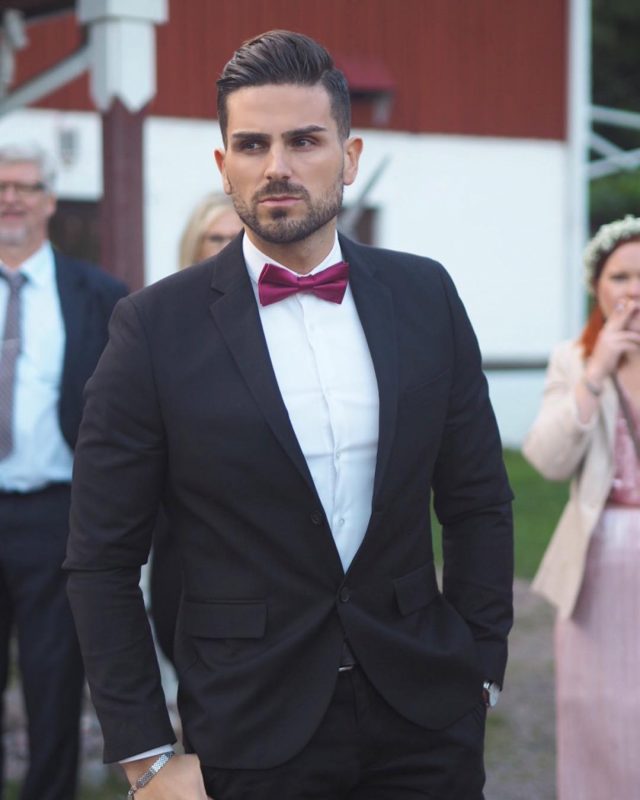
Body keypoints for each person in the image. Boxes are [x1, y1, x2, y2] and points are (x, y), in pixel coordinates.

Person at [64, 30, 513, 800]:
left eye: (304, 140)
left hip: (425, 718)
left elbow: (478, 500)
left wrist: (481, 669)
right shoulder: (152, 328)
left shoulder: (425, 295)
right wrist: (144, 755)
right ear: (223, 164)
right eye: (252, 144)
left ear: (349, 155)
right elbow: (101, 558)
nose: (277, 166)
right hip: (249, 727)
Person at [0, 143, 127, 800]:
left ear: (51, 200)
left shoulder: (98, 296)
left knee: (54, 684)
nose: (12, 197)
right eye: (2, 185)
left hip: (58, 516)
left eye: (27, 185)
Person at [523, 215, 640, 800]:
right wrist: (595, 375)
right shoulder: (573, 357)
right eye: (620, 276)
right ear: (598, 287)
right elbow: (545, 459)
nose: (633, 290)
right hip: (598, 558)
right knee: (599, 711)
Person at [150, 193, 242, 666]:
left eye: (238, 238)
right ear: (195, 247)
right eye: (217, 238)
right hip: (184, 539)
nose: (228, 248)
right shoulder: (159, 328)